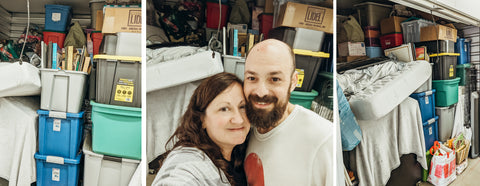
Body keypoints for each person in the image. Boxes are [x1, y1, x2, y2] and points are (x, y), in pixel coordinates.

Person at [243, 39, 334, 185]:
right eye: (252, 78)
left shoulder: (324, 139)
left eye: (274, 79)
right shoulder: (242, 130)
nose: (260, 92)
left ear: (293, 82)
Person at [152, 72, 250, 186]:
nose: (239, 119)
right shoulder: (188, 160)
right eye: (224, 109)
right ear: (202, 119)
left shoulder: (240, 151)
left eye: (242, 107)